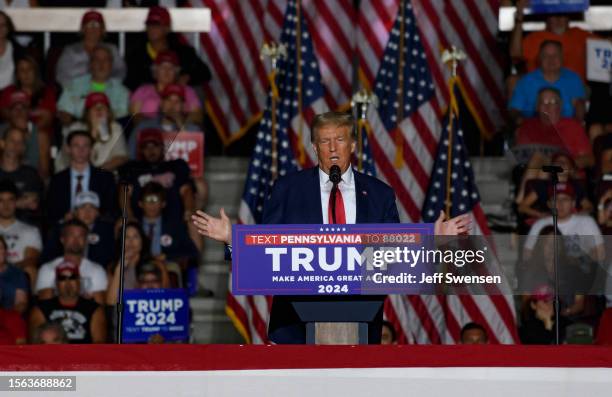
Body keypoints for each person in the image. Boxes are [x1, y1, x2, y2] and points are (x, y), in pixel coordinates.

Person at [192, 111, 470, 344]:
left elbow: (392, 255)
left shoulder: (379, 193)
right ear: (314, 148)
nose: (333, 148)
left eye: (339, 139)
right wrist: (233, 239)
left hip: (360, 318)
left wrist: (431, 241)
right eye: (325, 141)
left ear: (353, 145)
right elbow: (267, 250)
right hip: (294, 323)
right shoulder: (287, 189)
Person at [124, 6, 211, 90]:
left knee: (197, 91)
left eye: (157, 25)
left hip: (177, 100)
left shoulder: (184, 53)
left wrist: (188, 77)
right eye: (149, 24)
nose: (152, 28)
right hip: (148, 101)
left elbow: (205, 73)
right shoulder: (136, 55)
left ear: (167, 28)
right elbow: (129, 83)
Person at [119, 128, 194, 222]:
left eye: (155, 145)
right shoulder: (132, 169)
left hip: (173, 221)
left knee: (193, 223)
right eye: (146, 146)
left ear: (162, 147)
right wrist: (128, 216)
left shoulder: (176, 166)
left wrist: (188, 211)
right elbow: (124, 192)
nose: (151, 150)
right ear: (141, 150)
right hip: (138, 221)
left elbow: (186, 190)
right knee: (120, 224)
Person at [46, 130, 117, 226]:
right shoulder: (57, 180)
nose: (81, 150)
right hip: (66, 229)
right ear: (68, 149)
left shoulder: (105, 178)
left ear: (91, 150)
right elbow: (50, 212)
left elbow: (111, 210)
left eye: (85, 146)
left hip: (96, 228)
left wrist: (93, 216)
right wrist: (64, 218)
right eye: (76, 145)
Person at [523, 182, 604, 266]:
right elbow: (527, 254)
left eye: (565, 199)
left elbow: (600, 253)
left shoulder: (586, 222)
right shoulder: (540, 224)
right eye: (555, 199)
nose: (560, 204)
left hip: (580, 272)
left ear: (573, 203)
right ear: (549, 204)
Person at [509, 40, 586, 124]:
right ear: (539, 59)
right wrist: (522, 123)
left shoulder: (573, 79)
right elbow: (514, 110)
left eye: (555, 55)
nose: (551, 59)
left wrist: (576, 125)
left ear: (563, 58)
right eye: (546, 56)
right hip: (534, 128)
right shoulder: (526, 81)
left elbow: (579, 108)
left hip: (566, 129)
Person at [515, 87, 593, 169]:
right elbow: (519, 158)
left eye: (553, 102)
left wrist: (564, 164)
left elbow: (589, 160)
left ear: (561, 105)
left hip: (565, 173)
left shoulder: (573, 127)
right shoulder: (528, 126)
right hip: (535, 171)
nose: (548, 106)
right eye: (543, 102)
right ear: (537, 107)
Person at [29, 261, 107, 344]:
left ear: (79, 281)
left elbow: (99, 345)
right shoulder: (41, 309)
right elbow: (34, 345)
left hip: (82, 355)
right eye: (62, 278)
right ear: (56, 283)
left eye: (72, 277)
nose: (68, 282)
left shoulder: (94, 309)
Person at [35, 219, 108, 305]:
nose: (76, 240)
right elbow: (44, 306)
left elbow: (99, 307)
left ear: (86, 241)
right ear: (62, 239)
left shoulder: (97, 270)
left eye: (81, 236)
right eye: (71, 235)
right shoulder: (48, 269)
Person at [57, 45, 130, 126]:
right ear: (90, 64)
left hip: (110, 133)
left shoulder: (123, 92)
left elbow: (122, 121)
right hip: (79, 131)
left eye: (106, 60)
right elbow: (64, 114)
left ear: (111, 64)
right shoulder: (73, 86)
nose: (101, 63)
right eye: (96, 59)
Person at [42, 191, 116, 270]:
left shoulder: (106, 231)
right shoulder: (62, 229)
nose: (87, 212)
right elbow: (47, 256)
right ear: (75, 212)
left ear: (97, 213)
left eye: (92, 207)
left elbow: (110, 259)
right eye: (83, 207)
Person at [56, 92, 129, 172]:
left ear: (108, 112)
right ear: (87, 113)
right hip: (72, 174)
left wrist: (97, 173)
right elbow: (67, 156)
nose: (99, 110)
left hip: (104, 174)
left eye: (102, 106)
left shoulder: (115, 128)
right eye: (94, 106)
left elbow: (121, 157)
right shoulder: (75, 128)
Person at [55, 10, 126, 88]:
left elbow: (121, 73)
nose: (93, 28)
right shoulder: (70, 51)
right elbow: (61, 76)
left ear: (102, 29)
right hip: (76, 93)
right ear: (83, 29)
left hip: (107, 91)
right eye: (89, 25)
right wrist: (76, 91)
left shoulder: (112, 49)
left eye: (96, 25)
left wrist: (103, 87)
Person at [130, 50, 202, 125]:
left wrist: (181, 123)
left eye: (171, 68)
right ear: (155, 71)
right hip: (149, 131)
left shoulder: (187, 91)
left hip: (180, 130)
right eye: (162, 67)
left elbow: (197, 116)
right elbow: (135, 117)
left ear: (176, 72)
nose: (166, 71)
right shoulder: (143, 90)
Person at [129, 83, 201, 158]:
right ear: (161, 104)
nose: (172, 105)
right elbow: (131, 156)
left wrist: (181, 126)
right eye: (168, 100)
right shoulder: (144, 127)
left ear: (183, 106)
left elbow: (194, 158)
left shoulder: (193, 129)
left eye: (177, 101)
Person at [106, 222, 169, 305]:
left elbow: (168, 298)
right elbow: (111, 303)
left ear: (142, 241)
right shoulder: (113, 267)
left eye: (135, 237)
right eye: (127, 237)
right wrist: (120, 268)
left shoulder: (157, 265)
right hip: (125, 314)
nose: (131, 241)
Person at [138, 181, 199, 260]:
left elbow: (191, 252)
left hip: (168, 266)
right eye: (148, 200)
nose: (152, 205)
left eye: (156, 200)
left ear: (163, 203)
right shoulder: (134, 226)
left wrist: (167, 257)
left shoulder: (174, 225)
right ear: (140, 203)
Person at [0, 179, 41, 290]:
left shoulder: (30, 231)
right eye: (1, 200)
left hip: (15, 276)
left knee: (31, 270)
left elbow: (32, 259)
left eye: (10, 200)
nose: (6, 205)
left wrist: (6, 269)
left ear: (16, 202)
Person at [1, 89, 51, 179]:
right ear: (9, 112)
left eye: (23, 108)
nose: (19, 112)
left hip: (30, 182)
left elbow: (44, 174)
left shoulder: (40, 136)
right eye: (14, 108)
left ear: (29, 111)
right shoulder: (1, 131)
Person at [0, 55, 57, 134]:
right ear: (17, 75)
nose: (26, 73)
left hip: (38, 133)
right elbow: (4, 112)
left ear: (35, 72)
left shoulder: (47, 92)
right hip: (13, 131)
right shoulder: (9, 91)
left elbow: (47, 118)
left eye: (29, 69)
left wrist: (29, 131)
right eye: (22, 70)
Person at [0, 127, 44, 224]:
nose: (15, 145)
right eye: (12, 140)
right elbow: (26, 202)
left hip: (25, 227)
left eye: (20, 142)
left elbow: (33, 203)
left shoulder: (31, 174)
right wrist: (18, 203)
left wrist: (4, 203)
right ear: (2, 143)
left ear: (23, 148)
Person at [0, 235, 28, 314]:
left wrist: (8, 318)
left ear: (5, 251)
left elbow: (21, 303)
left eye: (1, 248)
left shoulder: (16, 273)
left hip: (9, 318)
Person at [0, 10, 25, 91]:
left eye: (3, 25)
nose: (0, 28)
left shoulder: (19, 51)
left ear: (8, 28)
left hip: (11, 98)